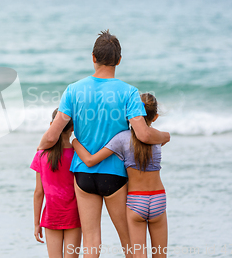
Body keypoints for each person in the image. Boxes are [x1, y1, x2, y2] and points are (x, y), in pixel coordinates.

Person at [37, 30, 170, 258]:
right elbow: (144, 135)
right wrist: (165, 136)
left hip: (83, 174)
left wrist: (40, 148)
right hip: (115, 175)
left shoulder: (73, 90)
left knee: (91, 241)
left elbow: (52, 137)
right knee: (128, 241)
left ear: (93, 57)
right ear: (119, 60)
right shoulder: (129, 93)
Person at [72, 93, 167, 258]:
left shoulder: (121, 139)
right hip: (159, 198)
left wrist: (74, 141)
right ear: (156, 116)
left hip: (136, 201)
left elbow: (90, 160)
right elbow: (165, 137)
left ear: (128, 115)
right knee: (160, 254)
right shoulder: (158, 137)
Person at [31, 108, 82, 258]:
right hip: (74, 214)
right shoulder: (78, 155)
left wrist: (36, 223)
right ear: (73, 128)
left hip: (51, 215)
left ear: (52, 125)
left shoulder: (41, 155)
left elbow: (38, 192)